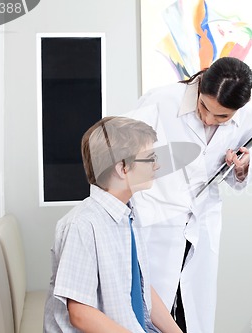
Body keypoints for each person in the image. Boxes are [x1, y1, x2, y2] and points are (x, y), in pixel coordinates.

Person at [127, 57, 252, 333]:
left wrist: (243, 167)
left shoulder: (247, 119)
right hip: (157, 220)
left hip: (202, 221)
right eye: (204, 107)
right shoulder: (159, 102)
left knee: (191, 310)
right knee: (152, 308)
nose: (209, 119)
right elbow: (121, 158)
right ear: (199, 88)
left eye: (222, 117)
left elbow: (236, 178)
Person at [43, 116, 183, 333]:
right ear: (122, 168)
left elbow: (142, 289)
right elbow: (80, 313)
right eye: (150, 158)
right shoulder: (82, 225)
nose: (158, 165)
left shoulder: (128, 213)